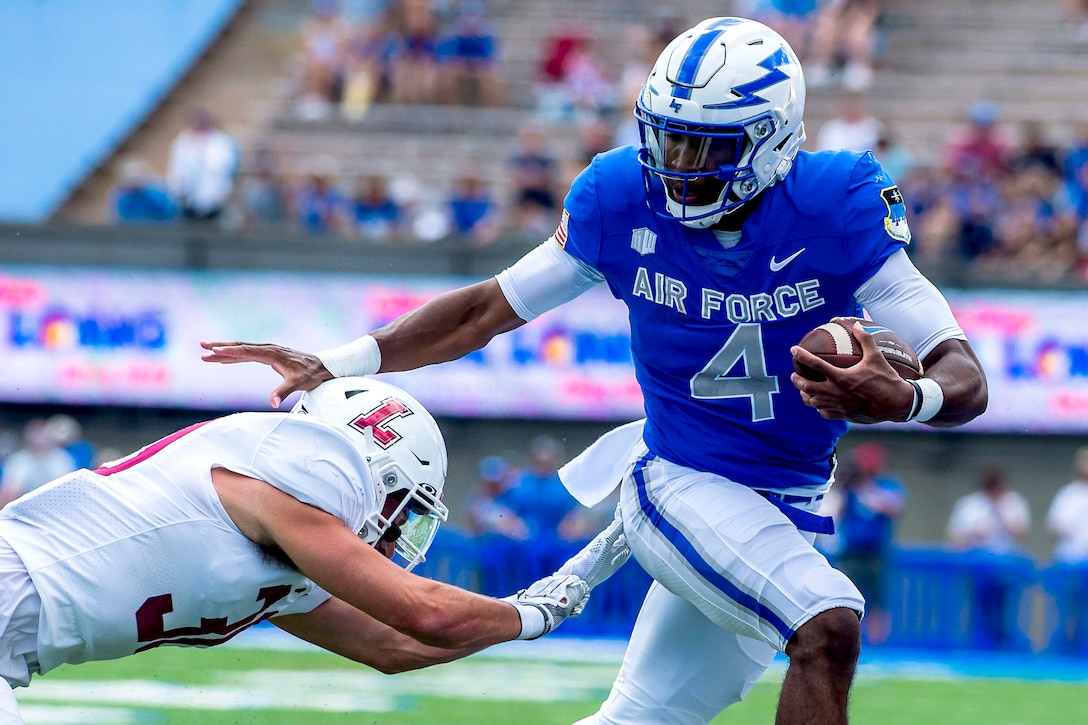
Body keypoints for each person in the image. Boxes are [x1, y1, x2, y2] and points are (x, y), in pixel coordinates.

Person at [202, 17, 988, 724]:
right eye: (669, 138)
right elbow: (487, 308)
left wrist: (909, 396)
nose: (678, 164)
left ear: (775, 140)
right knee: (829, 626)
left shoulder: (836, 205)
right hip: (679, 478)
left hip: (788, 501)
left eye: (706, 146)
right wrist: (338, 362)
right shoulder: (621, 196)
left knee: (640, 717)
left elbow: (965, 374)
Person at [0, 377, 594, 723]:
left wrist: (514, 621)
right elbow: (425, 613)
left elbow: (392, 643)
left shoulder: (295, 548)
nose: (394, 535)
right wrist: (530, 614)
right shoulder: (303, 471)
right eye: (402, 507)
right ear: (372, 468)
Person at [823, 442, 905, 645]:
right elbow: (837, 514)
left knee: (878, 600)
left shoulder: (887, 485)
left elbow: (891, 507)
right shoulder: (849, 488)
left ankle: (877, 643)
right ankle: (848, 640)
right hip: (850, 551)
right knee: (846, 597)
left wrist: (865, 487)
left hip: (876, 551)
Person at [946, 467, 1031, 649]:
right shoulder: (970, 505)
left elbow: (1021, 531)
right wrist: (975, 534)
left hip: (1006, 565)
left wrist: (1000, 513)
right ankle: (979, 643)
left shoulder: (1012, 503)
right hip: (979, 565)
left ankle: (1004, 643)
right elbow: (955, 537)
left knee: (1004, 608)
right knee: (979, 607)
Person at [1044, 447, 1088, 653]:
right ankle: (1063, 651)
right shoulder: (1069, 494)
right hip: (1070, 560)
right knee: (1067, 610)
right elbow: (1054, 525)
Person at [166, 107, 239, 223]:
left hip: (215, 198)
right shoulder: (183, 141)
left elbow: (227, 169)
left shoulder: (222, 142)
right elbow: (177, 168)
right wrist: (178, 191)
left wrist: (224, 193)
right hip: (188, 198)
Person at [0, 419, 78, 509]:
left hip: (55, 507)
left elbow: (69, 490)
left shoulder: (62, 458)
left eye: (41, 433)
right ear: (28, 436)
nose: (39, 438)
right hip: (24, 508)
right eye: (35, 433)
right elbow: (9, 492)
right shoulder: (18, 460)